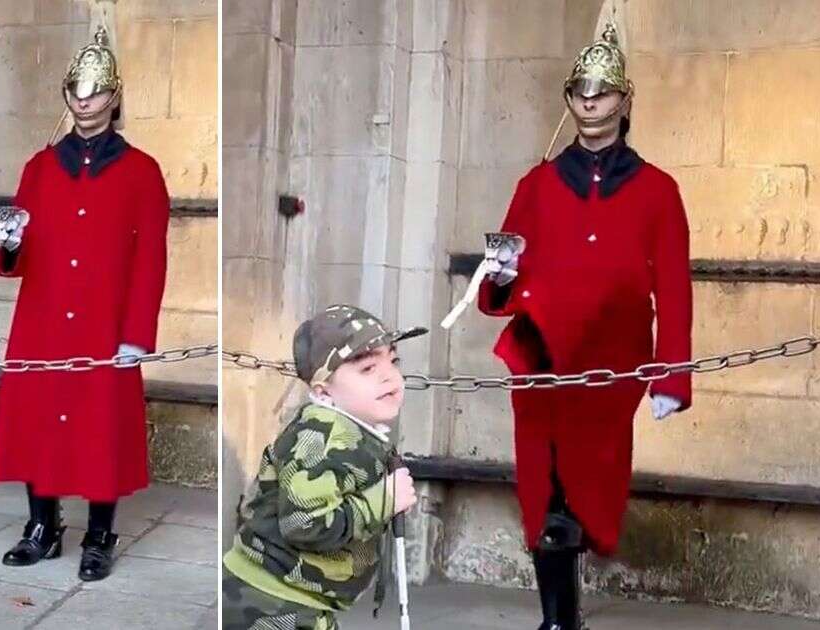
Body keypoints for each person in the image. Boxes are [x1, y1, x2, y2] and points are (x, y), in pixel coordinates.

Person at [478, 20, 693, 630]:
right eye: (579, 91)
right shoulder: (537, 183)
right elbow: (502, 279)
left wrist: (671, 374)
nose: (590, 100)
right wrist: (501, 275)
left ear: (625, 100)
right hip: (542, 356)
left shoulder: (658, 190)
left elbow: (674, 288)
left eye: (602, 90)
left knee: (586, 489)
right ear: (569, 100)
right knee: (544, 491)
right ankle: (557, 619)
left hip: (612, 361)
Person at [0, 25, 170, 582]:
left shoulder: (143, 172)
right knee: (38, 422)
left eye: (95, 91)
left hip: (104, 324)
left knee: (101, 430)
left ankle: (99, 534)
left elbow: (151, 260)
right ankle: (41, 526)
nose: (85, 100)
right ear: (66, 95)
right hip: (43, 321)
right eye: (76, 91)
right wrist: (11, 241)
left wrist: (135, 334)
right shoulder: (39, 168)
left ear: (113, 96)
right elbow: (13, 255)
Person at [220, 304, 426, 629]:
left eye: (393, 360)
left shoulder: (351, 427)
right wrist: (384, 500)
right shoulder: (322, 435)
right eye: (367, 368)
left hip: (294, 597)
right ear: (322, 388)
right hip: (272, 603)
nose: (389, 375)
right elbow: (304, 522)